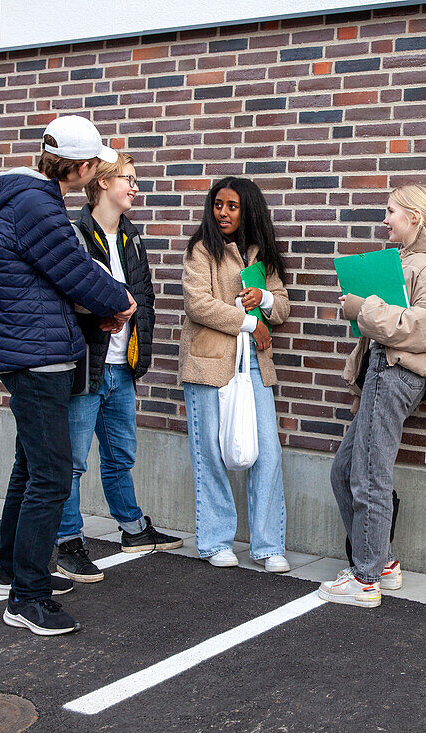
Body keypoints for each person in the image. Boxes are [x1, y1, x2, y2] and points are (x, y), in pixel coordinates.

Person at [0, 115, 136, 635]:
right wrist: (119, 303)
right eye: (96, 166)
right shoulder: (37, 207)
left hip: (33, 352)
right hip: (36, 357)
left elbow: (64, 276)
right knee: (49, 474)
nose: (97, 175)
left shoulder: (33, 200)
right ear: (82, 166)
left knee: (30, 468)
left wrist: (102, 306)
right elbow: (76, 270)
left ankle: (11, 572)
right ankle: (28, 598)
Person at [319, 184, 426, 608]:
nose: (384, 219)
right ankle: (381, 564)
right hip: (382, 371)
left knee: (369, 474)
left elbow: (423, 326)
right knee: (345, 471)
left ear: (414, 217)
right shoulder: (402, 261)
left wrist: (363, 309)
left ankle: (365, 580)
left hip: (397, 373)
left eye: (391, 211)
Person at [54, 152, 183, 584]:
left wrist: (137, 353)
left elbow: (144, 299)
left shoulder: (132, 238)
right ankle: (68, 542)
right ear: (103, 182)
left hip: (121, 367)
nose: (134, 187)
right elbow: (68, 297)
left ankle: (132, 529)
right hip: (87, 364)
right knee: (72, 461)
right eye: (128, 179)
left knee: (120, 455)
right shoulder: (75, 233)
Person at [179, 177, 291, 572]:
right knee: (208, 451)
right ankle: (214, 540)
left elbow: (282, 310)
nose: (222, 213)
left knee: (269, 454)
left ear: (249, 211)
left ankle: (268, 545)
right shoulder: (201, 249)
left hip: (255, 368)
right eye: (218, 204)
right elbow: (198, 305)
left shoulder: (262, 254)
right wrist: (248, 321)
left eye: (232, 206)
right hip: (208, 364)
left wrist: (267, 298)